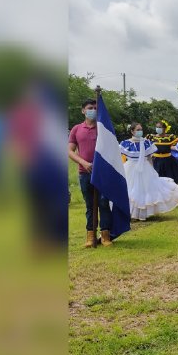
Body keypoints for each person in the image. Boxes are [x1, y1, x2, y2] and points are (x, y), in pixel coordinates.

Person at [68, 98, 113, 247]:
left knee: (103, 203)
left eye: (95, 108)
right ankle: (90, 236)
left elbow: (111, 149)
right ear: (83, 110)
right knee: (89, 205)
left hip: (102, 173)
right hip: (84, 173)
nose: (92, 110)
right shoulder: (76, 129)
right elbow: (69, 151)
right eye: (89, 108)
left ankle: (106, 236)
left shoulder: (103, 128)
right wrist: (84, 163)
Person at [120, 123, 178, 220]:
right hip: (130, 168)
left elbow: (150, 157)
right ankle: (130, 213)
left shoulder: (146, 142)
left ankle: (144, 213)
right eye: (137, 129)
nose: (140, 131)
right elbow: (120, 156)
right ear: (132, 131)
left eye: (141, 129)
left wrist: (152, 170)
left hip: (145, 167)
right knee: (131, 189)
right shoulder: (126, 143)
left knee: (146, 190)